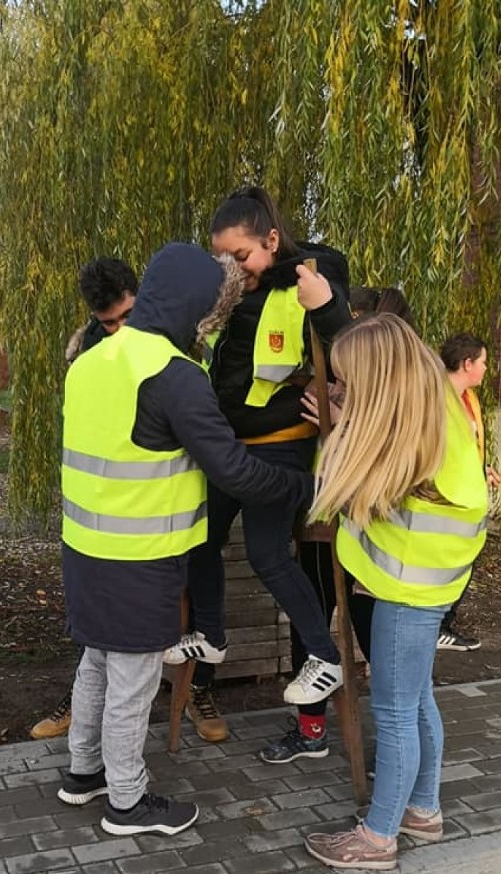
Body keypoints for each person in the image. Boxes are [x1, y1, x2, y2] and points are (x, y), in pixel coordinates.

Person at [58, 242, 316, 837]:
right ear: (194, 309)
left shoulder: (90, 360)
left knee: (96, 660)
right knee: (135, 676)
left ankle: (83, 772)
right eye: (208, 314)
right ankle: (126, 800)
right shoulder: (177, 377)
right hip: (139, 557)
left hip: (83, 546)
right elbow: (233, 470)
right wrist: (302, 486)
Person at [163, 186, 351, 743]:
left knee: (269, 554)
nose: (233, 268)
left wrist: (329, 308)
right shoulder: (228, 295)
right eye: (222, 259)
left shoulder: (311, 281)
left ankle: (324, 656)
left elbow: (352, 348)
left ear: (271, 240)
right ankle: (211, 634)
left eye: (241, 256)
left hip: (280, 446)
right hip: (228, 445)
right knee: (201, 537)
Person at [303, 314, 488, 870]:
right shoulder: (431, 411)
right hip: (430, 584)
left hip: (410, 590)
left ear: (377, 378)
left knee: (394, 710)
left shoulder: (407, 432)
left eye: (346, 381)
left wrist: (336, 431)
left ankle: (378, 837)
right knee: (415, 699)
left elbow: (347, 494)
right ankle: (424, 810)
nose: (339, 390)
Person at [257, 283, 419, 764]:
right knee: (311, 629)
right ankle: (311, 731)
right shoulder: (335, 376)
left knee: (371, 627)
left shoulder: (404, 395)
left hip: (369, 530)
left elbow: (392, 462)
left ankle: (393, 734)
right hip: (322, 522)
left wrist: (348, 424)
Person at [30, 257, 139, 740]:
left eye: (125, 319)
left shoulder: (172, 343)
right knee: (98, 630)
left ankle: (202, 692)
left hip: (153, 511)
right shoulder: (89, 355)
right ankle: (80, 710)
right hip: (101, 514)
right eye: (106, 322)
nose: (116, 330)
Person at [435, 332, 501, 651]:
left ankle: (441, 624)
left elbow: (461, 450)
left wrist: (480, 470)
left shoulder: (467, 399)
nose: (487, 368)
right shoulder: (438, 400)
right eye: (483, 362)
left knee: (464, 565)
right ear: (467, 363)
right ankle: (438, 625)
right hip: (444, 508)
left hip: (464, 504)